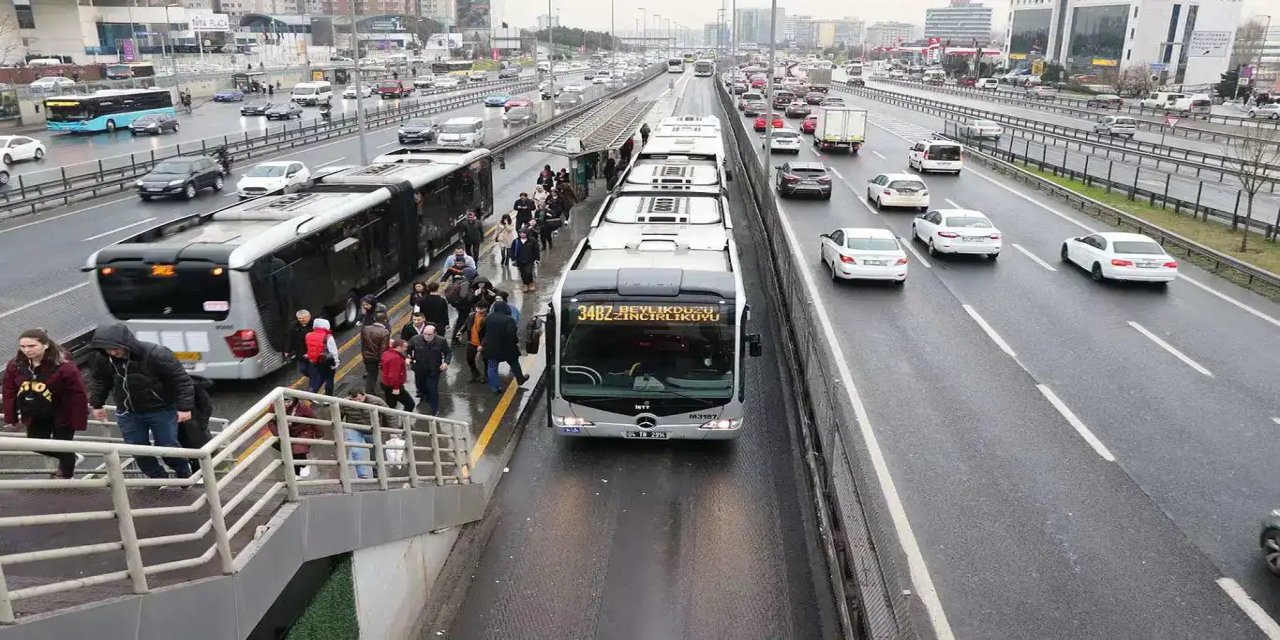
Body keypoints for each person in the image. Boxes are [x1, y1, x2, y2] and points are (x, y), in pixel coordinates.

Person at [86, 323, 195, 480]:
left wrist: (184, 407)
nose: (112, 352)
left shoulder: (156, 354)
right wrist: (97, 404)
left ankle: (184, 474)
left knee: (167, 447)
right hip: (128, 412)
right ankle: (158, 479)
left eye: (115, 348)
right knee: (138, 450)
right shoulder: (103, 359)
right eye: (107, 349)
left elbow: (181, 380)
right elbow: (100, 382)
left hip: (161, 409)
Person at [2, 329, 89, 479]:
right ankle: (68, 457)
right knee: (37, 444)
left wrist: (79, 420)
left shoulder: (64, 367)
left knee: (64, 444)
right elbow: (9, 391)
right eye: (23, 346)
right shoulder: (15, 366)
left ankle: (66, 477)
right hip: (35, 412)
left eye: (31, 346)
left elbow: (78, 394)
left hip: (62, 412)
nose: (27, 350)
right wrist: (11, 418)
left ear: (46, 345)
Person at [339, 384, 388, 480]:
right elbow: (338, 415)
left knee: (376, 452)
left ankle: (376, 472)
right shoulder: (344, 403)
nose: (357, 402)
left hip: (372, 429)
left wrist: (393, 430)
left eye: (359, 399)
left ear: (364, 395)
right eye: (354, 400)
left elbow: (389, 414)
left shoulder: (376, 401)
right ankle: (362, 475)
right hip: (354, 428)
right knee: (356, 451)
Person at [480, 302, 528, 395]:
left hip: (491, 347)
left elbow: (482, 332)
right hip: (507, 347)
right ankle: (520, 379)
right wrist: (515, 343)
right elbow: (512, 334)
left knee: (492, 367)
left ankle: (495, 389)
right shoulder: (509, 320)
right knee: (514, 363)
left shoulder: (489, 318)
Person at [267, 396, 320, 477]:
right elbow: (271, 421)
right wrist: (277, 433)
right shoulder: (274, 407)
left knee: (298, 449)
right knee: (292, 450)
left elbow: (313, 420)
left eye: (288, 401)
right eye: (284, 401)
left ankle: (297, 472)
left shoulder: (303, 408)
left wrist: (319, 434)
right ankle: (300, 469)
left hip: (303, 431)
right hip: (285, 432)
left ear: (294, 400)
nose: (286, 404)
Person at [407, 325, 451, 415]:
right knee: (420, 386)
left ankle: (434, 409)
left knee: (432, 389)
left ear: (435, 333)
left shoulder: (441, 341)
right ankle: (423, 395)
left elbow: (448, 352)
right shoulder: (415, 339)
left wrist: (446, 362)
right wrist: (407, 357)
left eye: (429, 334)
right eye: (425, 334)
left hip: (433, 369)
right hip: (419, 369)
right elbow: (407, 349)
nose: (427, 336)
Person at [304, 318, 339, 395]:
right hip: (327, 361)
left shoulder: (309, 335)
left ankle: (312, 392)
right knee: (329, 379)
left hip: (316, 361)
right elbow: (333, 351)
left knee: (321, 377)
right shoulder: (328, 337)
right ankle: (328, 398)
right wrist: (336, 363)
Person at [380, 339, 415, 414]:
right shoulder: (396, 358)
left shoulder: (386, 353)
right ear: (399, 347)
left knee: (391, 405)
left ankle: (387, 421)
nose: (406, 349)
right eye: (405, 347)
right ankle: (404, 423)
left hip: (385, 383)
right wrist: (396, 388)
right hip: (394, 386)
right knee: (410, 404)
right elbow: (394, 375)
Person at [359, 311, 391, 394]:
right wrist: (382, 361)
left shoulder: (365, 329)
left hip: (367, 357)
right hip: (377, 357)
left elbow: (363, 344)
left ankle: (369, 391)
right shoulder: (385, 332)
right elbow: (383, 349)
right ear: (385, 320)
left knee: (371, 375)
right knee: (384, 374)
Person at [445, 275, 476, 344]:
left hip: (457, 305)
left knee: (461, 320)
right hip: (464, 306)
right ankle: (455, 338)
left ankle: (456, 337)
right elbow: (464, 295)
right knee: (462, 321)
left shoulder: (455, 283)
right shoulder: (466, 283)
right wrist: (473, 296)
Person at [463, 304, 488, 383]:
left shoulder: (488, 318)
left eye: (481, 308)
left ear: (486, 308)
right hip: (472, 342)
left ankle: (486, 376)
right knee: (469, 358)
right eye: (477, 308)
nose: (479, 310)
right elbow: (466, 324)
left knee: (486, 360)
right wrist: (460, 332)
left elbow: (487, 333)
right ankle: (476, 374)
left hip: (483, 343)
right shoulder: (471, 315)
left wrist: (482, 345)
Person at [285, 309, 314, 377]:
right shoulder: (293, 326)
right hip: (300, 351)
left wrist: (310, 353)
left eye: (303, 318)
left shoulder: (314, 325)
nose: (301, 320)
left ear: (309, 317)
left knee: (314, 369)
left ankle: (314, 383)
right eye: (299, 318)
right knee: (303, 369)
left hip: (312, 351)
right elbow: (289, 339)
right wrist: (287, 351)